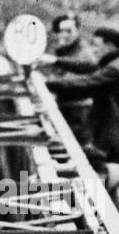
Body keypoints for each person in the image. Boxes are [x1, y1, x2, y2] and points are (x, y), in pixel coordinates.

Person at [43, 27, 119, 166]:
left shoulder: (115, 69)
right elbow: (87, 68)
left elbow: (86, 84)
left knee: (117, 182)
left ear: (110, 46)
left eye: (96, 46)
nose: (93, 50)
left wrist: (46, 84)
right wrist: (55, 61)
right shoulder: (117, 61)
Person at [37, 12, 96, 144]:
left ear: (78, 31)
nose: (64, 35)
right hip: (65, 108)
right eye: (61, 31)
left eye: (68, 31)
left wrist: (46, 82)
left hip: (80, 114)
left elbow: (84, 68)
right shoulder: (63, 51)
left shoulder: (84, 51)